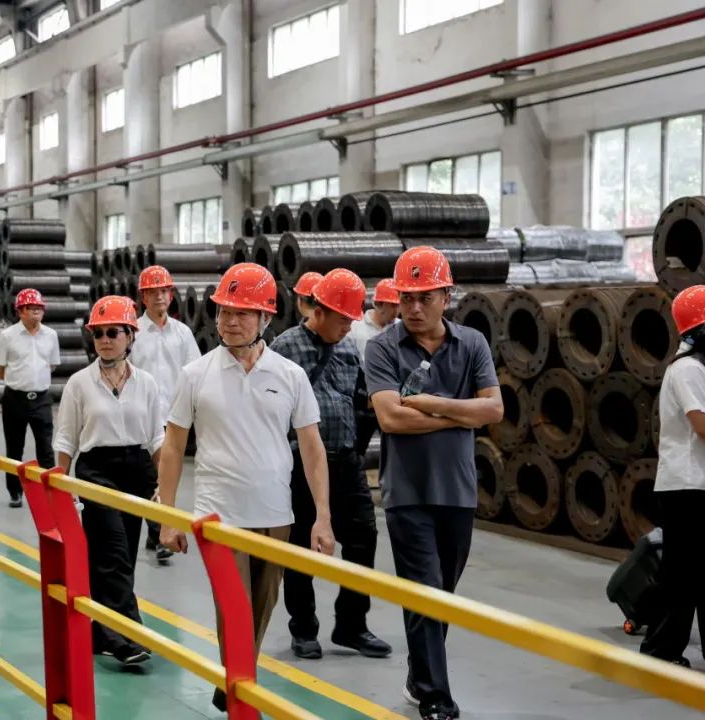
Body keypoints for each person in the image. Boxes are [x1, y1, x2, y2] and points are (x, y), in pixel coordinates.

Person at [156, 263, 334, 713]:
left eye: (242, 313)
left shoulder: (289, 375)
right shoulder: (195, 374)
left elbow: (312, 449)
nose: (230, 321)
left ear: (265, 318)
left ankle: (234, 680)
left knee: (259, 609)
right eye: (224, 311)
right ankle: (241, 693)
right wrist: (168, 517)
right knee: (232, 609)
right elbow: (173, 447)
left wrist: (322, 516)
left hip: (276, 514)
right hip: (218, 516)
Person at [365, 246, 502, 720]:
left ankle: (418, 673)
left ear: (447, 296)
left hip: (458, 490)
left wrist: (430, 403)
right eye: (407, 298)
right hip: (407, 493)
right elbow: (391, 419)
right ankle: (435, 697)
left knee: (441, 594)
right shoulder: (382, 347)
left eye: (425, 297)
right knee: (423, 590)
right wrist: (462, 414)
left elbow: (494, 409)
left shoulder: (472, 344)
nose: (415, 308)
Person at [270, 268, 391, 661]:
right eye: (343, 319)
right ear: (319, 311)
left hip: (345, 460)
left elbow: (359, 398)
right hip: (299, 465)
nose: (348, 327)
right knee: (300, 545)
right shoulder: (284, 348)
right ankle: (304, 628)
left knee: (363, 537)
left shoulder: (348, 348)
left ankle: (351, 625)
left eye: (352, 320)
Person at [54, 295, 162, 667]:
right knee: (113, 552)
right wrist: (62, 488)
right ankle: (126, 636)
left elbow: (157, 438)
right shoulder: (79, 384)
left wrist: (165, 487)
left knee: (120, 555)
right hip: (96, 472)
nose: (104, 340)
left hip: (137, 471)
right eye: (98, 333)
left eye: (112, 332)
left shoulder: (147, 383)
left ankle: (99, 633)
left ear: (130, 335)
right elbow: (66, 439)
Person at [639, 285, 705, 667]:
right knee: (681, 576)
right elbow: (701, 424)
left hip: (697, 484)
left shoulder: (699, 367)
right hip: (686, 487)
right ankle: (660, 653)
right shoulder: (687, 369)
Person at [127, 265, 200, 565]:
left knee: (165, 477)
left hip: (174, 420)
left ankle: (155, 531)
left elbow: (194, 372)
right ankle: (158, 531)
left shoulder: (182, 334)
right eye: (153, 292)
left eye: (164, 291)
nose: (159, 297)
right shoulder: (132, 331)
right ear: (143, 297)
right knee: (149, 477)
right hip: (142, 418)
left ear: (171, 295)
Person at [0, 288, 60, 508]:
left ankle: (49, 491)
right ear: (20, 312)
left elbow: (52, 364)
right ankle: (15, 492)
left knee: (46, 448)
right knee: (14, 448)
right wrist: (18, 381)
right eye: (31, 308)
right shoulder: (7, 336)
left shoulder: (51, 335)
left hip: (41, 399)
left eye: (39, 308)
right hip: (15, 399)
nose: (36, 312)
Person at [350, 278, 400, 370]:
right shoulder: (355, 327)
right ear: (379, 304)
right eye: (393, 306)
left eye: (399, 306)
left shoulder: (402, 327)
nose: (397, 311)